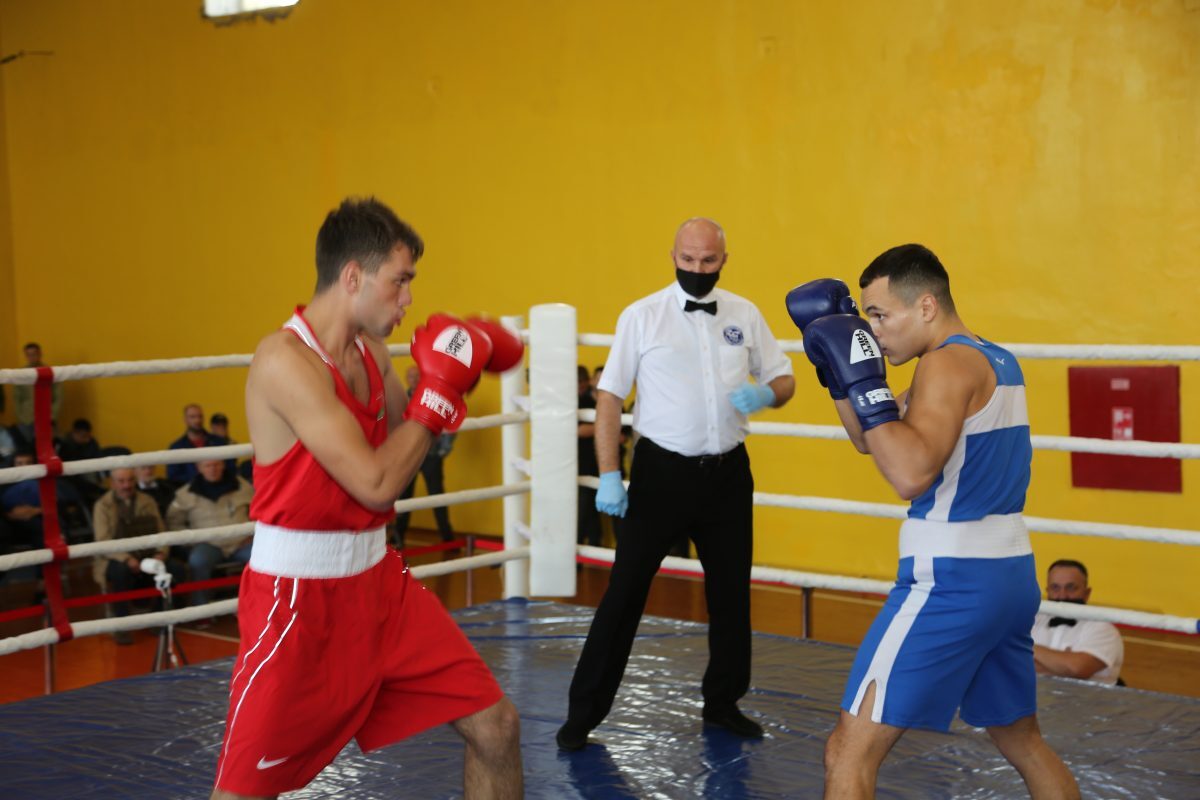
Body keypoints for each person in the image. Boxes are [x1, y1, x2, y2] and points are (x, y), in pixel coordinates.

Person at [211, 196, 523, 799]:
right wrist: (436, 399)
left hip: (379, 584)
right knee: (242, 794)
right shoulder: (284, 361)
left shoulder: (373, 354)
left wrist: (443, 385)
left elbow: (405, 454)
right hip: (297, 603)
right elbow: (376, 482)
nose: (408, 299)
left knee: (497, 727)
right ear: (352, 276)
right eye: (399, 281)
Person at [789, 244, 1078, 798]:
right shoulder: (993, 358)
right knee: (1023, 741)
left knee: (847, 752)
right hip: (1008, 575)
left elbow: (909, 474)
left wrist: (863, 379)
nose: (873, 332)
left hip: (951, 581)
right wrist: (837, 377)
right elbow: (871, 438)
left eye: (880, 315)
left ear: (925, 306)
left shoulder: (943, 365)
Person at [557, 217, 795, 751]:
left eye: (708, 260)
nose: (697, 268)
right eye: (688, 259)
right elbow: (610, 396)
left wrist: (767, 395)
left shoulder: (744, 314)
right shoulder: (643, 316)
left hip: (728, 474)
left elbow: (784, 378)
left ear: (724, 259)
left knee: (731, 594)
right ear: (673, 256)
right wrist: (610, 475)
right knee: (624, 594)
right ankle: (582, 714)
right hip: (661, 474)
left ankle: (724, 703)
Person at [92, 467, 183, 645]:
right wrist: (126, 558)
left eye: (130, 480)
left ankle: (159, 618)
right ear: (112, 483)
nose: (126, 485)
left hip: (148, 555)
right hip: (115, 558)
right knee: (120, 572)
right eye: (121, 481)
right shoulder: (102, 506)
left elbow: (161, 532)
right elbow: (102, 541)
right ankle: (122, 625)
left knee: (175, 569)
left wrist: (161, 553)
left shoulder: (147, 501)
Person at [166, 459, 255, 609]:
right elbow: (173, 522)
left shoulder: (243, 486)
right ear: (199, 468)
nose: (213, 469)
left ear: (223, 465)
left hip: (242, 542)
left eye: (217, 464)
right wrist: (192, 541)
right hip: (208, 545)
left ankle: (258, 604)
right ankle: (201, 608)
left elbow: (259, 510)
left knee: (264, 557)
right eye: (207, 465)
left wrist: (253, 534)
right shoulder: (185, 494)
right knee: (198, 561)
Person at [1031, 559, 1124, 685]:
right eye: (1055, 588)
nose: (1062, 596)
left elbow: (1077, 669)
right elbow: (1009, 662)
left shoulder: (1104, 629)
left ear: (1087, 593)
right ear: (1047, 591)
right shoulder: (1032, 621)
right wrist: (1063, 664)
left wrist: (1027, 646)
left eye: (1071, 588)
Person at [394, 364, 456, 546]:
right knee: (404, 497)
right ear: (406, 379)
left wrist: (443, 450)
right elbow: (394, 426)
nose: (413, 379)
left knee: (437, 497)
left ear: (422, 377)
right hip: (409, 456)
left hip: (431, 456)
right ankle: (398, 537)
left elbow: (449, 421)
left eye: (416, 376)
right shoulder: (401, 399)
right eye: (410, 376)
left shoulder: (433, 397)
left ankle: (448, 539)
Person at [11, 342, 62, 446]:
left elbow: (58, 396)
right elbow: (17, 398)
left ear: (40, 354)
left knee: (46, 445)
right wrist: (20, 416)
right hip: (27, 418)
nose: (32, 357)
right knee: (27, 446)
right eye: (28, 355)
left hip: (46, 416)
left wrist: (52, 415)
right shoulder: (21, 374)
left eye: (34, 354)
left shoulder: (50, 372)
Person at [166, 403, 231, 484]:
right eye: (192, 417)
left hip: (220, 487)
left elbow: (230, 468)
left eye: (200, 416)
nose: (197, 420)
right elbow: (173, 477)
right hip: (189, 489)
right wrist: (200, 478)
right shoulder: (176, 447)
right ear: (185, 419)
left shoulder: (219, 442)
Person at [576, 365, 602, 548]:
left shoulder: (612, 401)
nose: (581, 386)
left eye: (582, 382)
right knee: (582, 509)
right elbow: (579, 431)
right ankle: (576, 551)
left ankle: (595, 547)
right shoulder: (580, 401)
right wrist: (607, 426)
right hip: (582, 463)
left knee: (594, 509)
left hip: (601, 464)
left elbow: (622, 436)